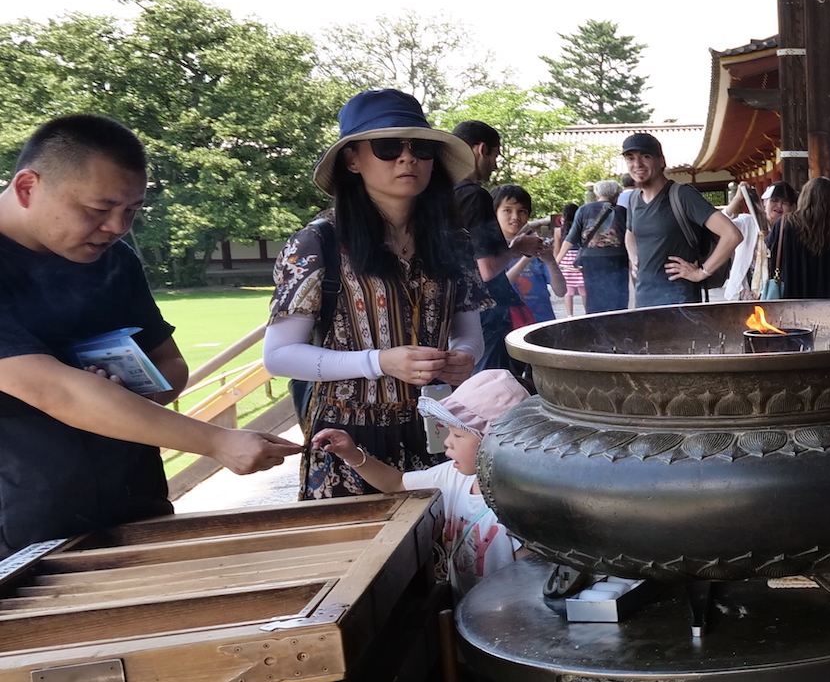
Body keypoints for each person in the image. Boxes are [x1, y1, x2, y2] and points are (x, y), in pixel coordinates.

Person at [0, 115, 297, 548]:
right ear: (28, 187)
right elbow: (52, 390)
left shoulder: (115, 261)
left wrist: (135, 394)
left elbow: (169, 364)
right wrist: (216, 441)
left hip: (136, 507)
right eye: (99, 209)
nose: (117, 227)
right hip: (21, 525)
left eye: (132, 210)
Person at [264, 89, 488, 501]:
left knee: (440, 556)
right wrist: (380, 362)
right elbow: (278, 356)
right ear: (353, 160)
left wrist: (463, 357)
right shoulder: (318, 242)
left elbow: (469, 331)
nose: (408, 158)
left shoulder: (453, 241)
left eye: (419, 147)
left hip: (439, 432)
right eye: (387, 147)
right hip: (347, 440)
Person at [309, 370, 531, 591]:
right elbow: (396, 483)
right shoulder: (452, 477)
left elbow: (530, 577)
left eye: (458, 435)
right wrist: (352, 455)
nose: (447, 443)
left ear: (495, 442)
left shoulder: (521, 507)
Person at [449, 120, 546, 372]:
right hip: (485, 311)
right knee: (494, 385)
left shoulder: (439, 192)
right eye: (494, 155)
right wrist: (518, 247)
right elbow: (488, 269)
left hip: (451, 308)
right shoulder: (474, 195)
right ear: (481, 149)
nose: (494, 164)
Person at [619, 130, 739, 308]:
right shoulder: (634, 198)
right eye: (630, 158)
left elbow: (732, 234)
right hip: (644, 297)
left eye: (645, 156)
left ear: (661, 161)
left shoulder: (682, 195)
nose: (637, 164)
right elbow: (630, 233)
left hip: (680, 299)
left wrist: (702, 273)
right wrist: (633, 257)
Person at [771, 177, 830, 299]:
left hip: (791, 295)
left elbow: (773, 257)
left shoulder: (784, 223)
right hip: (827, 298)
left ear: (804, 196)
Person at [494, 185, 559, 327]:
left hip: (542, 323)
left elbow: (561, 291)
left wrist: (550, 261)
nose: (515, 217)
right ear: (494, 213)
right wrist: (525, 258)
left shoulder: (537, 244)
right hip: (506, 325)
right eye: (507, 210)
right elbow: (500, 287)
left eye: (522, 211)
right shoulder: (491, 251)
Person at [565, 178, 630, 314]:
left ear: (597, 195)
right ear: (616, 196)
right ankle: (620, 325)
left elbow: (572, 236)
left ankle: (595, 327)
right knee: (618, 298)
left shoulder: (583, 209)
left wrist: (557, 259)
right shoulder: (622, 211)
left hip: (592, 260)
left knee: (594, 297)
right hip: (617, 259)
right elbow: (629, 237)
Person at [713, 183, 763, 301]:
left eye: (784, 202)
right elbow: (723, 222)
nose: (779, 205)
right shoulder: (749, 222)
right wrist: (737, 198)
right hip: (750, 283)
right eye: (774, 201)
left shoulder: (788, 227)